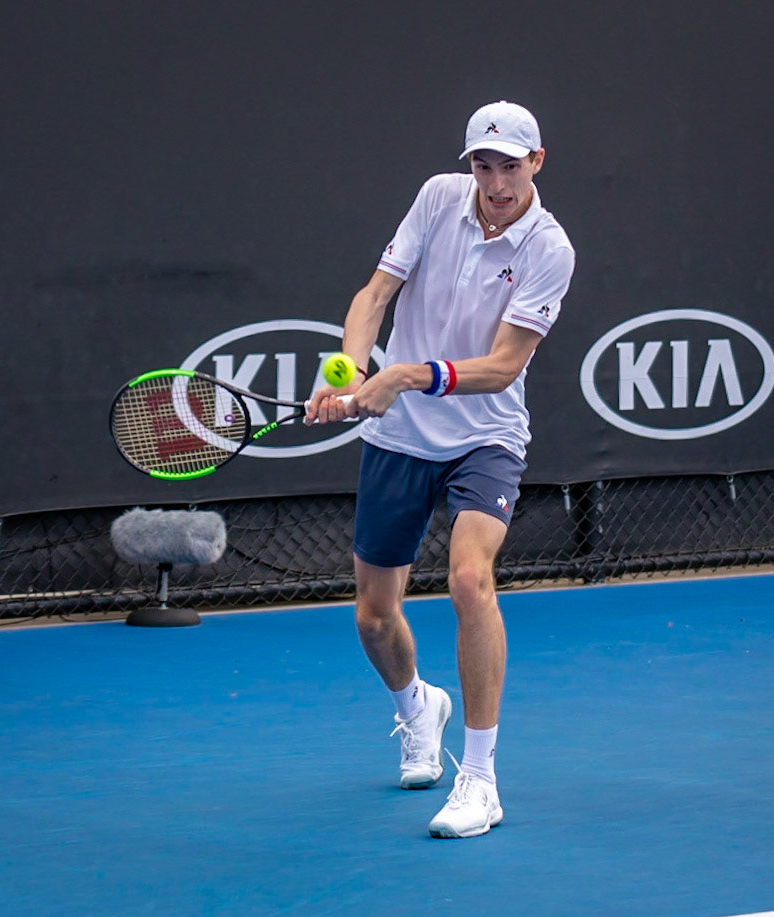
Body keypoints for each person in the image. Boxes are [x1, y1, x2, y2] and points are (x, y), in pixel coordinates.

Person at [306, 100, 575, 838]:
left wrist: (404, 374)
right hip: (399, 438)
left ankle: (480, 779)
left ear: (537, 161)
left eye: (509, 166)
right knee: (373, 615)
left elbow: (500, 366)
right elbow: (375, 294)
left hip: (484, 436)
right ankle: (416, 708)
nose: (494, 181)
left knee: (467, 578)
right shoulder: (436, 198)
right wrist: (348, 367)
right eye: (482, 165)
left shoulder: (549, 247)